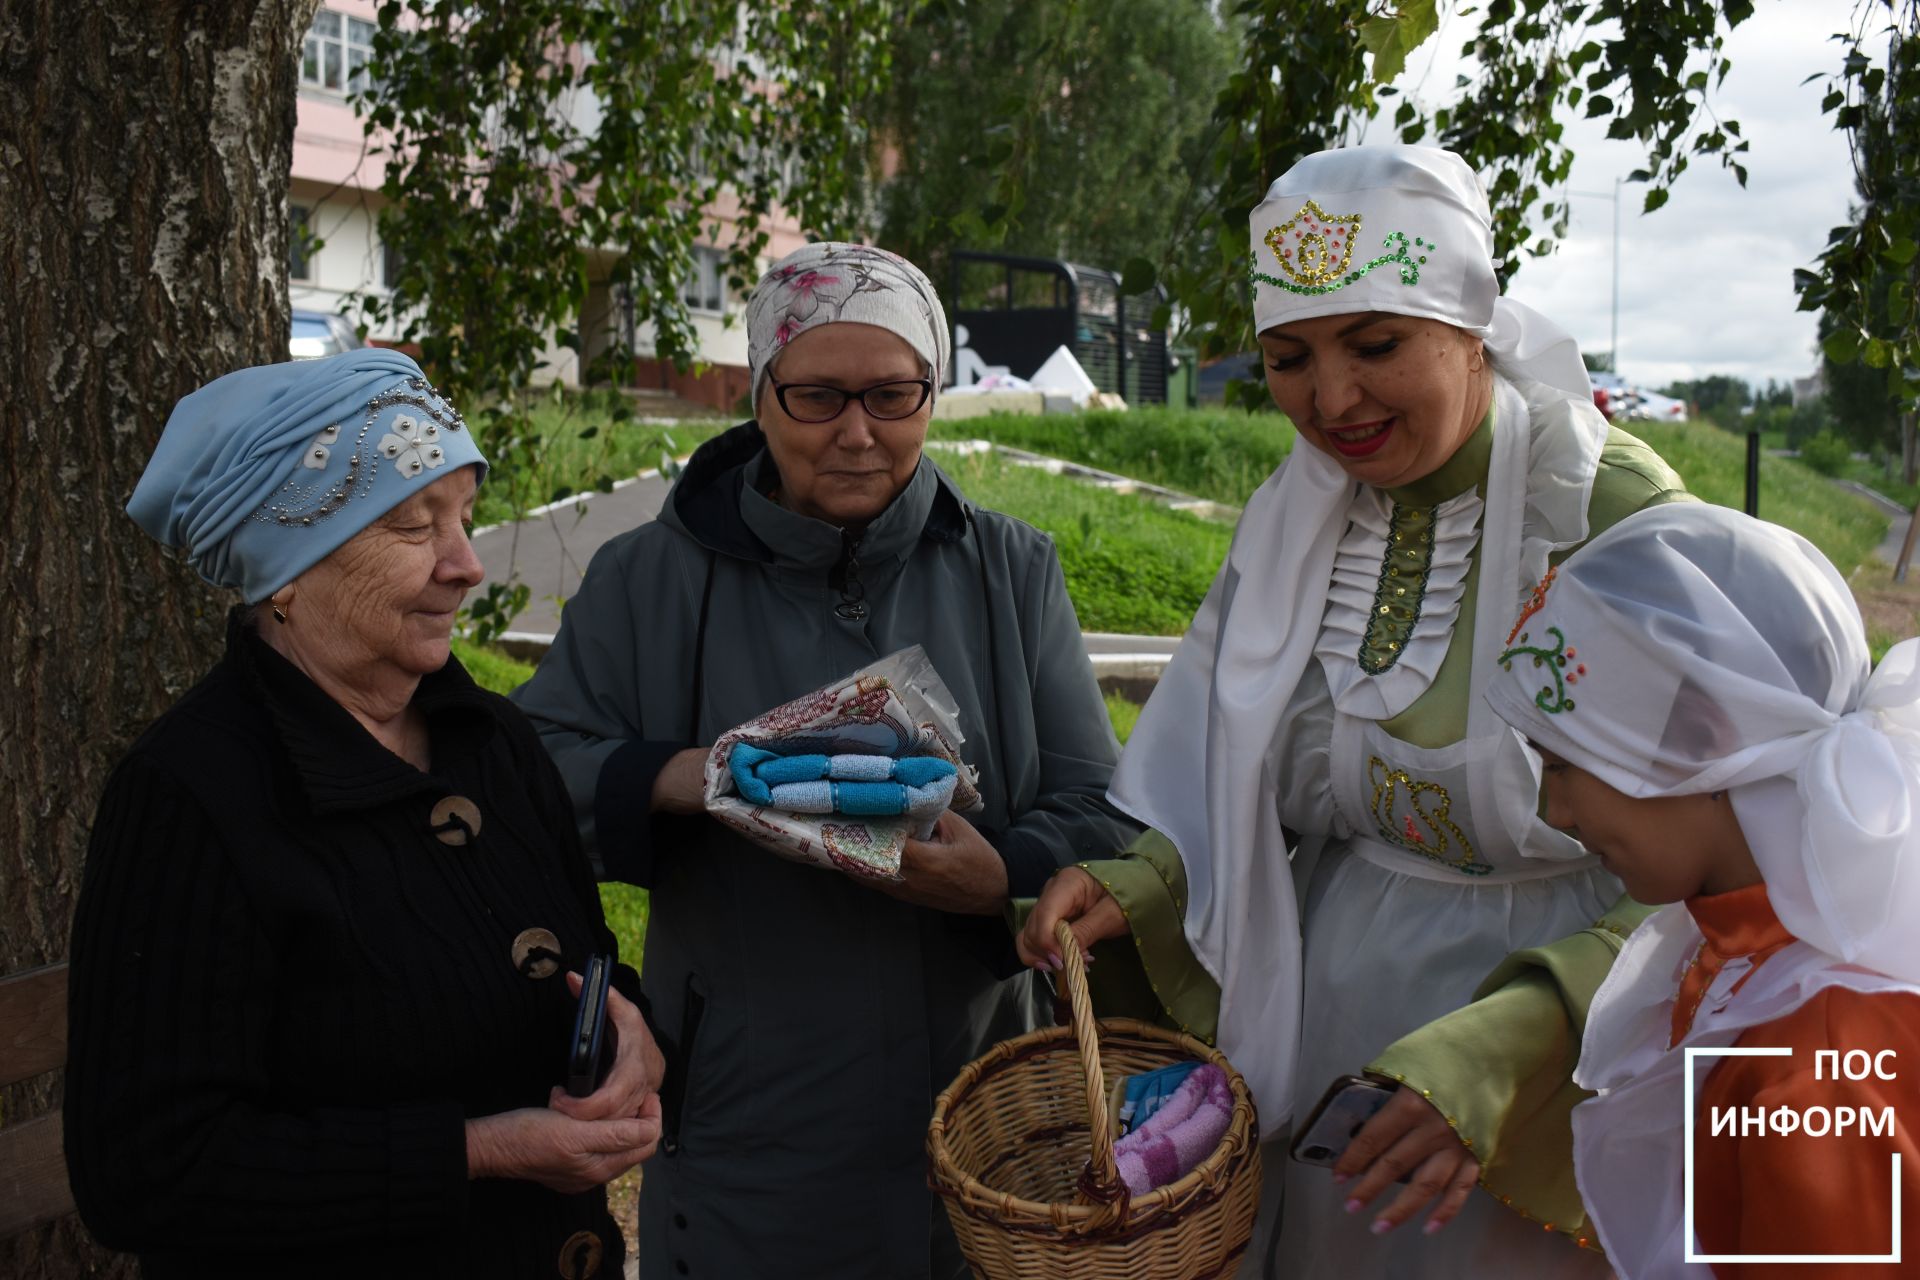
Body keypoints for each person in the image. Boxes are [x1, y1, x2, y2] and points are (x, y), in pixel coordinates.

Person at [1018, 144, 1690, 1278]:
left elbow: (1725, 854)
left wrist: (1522, 1032)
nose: (1331, 399)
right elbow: (1268, 790)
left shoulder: (1603, 512)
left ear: (1470, 318)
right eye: (1290, 358)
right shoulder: (1303, 518)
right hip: (1331, 1021)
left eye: (1377, 344)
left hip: (1559, 1050)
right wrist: (1147, 882)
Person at [510, 242, 1140, 1278]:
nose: (858, 433)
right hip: (750, 1126)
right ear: (760, 395)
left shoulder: (1012, 571)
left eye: (895, 394)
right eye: (817, 395)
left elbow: (1102, 810)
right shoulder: (650, 580)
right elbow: (529, 778)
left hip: (985, 1116)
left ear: (934, 391)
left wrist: (1004, 877)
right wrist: (692, 777)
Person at [66, 351, 664, 1279]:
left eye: (463, 514)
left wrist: (633, 1036)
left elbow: (584, 964)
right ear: (286, 574)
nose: (466, 564)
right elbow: (144, 1173)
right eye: (410, 526)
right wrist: (479, 1151)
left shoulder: (491, 738)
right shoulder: (191, 793)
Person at [1484, 503, 1920, 1278]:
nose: (1557, 814)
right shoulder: (1754, 950)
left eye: (1565, 766)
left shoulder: (1807, 1063)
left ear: (1706, 744)